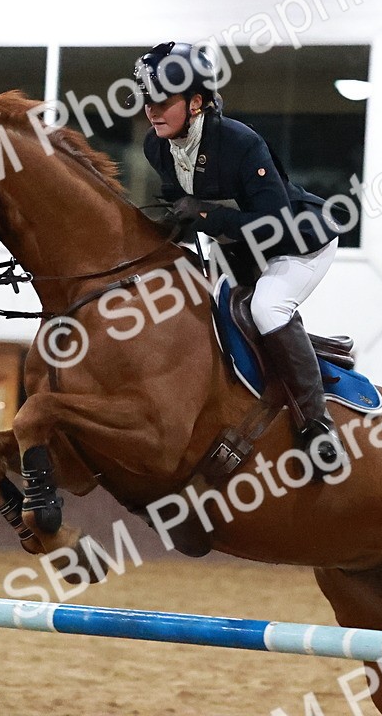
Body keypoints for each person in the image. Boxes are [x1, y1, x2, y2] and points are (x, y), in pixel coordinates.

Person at [133, 41, 345, 478]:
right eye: (147, 99)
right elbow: (185, 212)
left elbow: (274, 223)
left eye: (163, 100)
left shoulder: (240, 142)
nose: (152, 110)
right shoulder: (157, 148)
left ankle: (319, 427)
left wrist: (207, 213)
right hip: (236, 247)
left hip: (297, 243)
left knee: (268, 308)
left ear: (195, 103)